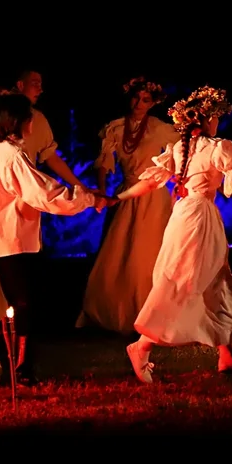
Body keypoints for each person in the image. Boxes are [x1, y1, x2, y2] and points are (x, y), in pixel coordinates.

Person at [117, 86, 232, 383]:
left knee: (213, 281)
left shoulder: (180, 149)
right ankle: (142, 345)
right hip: (198, 219)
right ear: (207, 119)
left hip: (185, 216)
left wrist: (119, 197)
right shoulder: (217, 148)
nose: (218, 122)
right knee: (188, 283)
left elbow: (150, 183)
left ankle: (226, 358)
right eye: (216, 116)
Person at [0, 94, 106, 384]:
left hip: (15, 237)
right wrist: (87, 198)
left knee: (26, 305)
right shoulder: (9, 155)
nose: (33, 123)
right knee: (23, 305)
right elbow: (42, 192)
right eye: (30, 119)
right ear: (20, 122)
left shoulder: (2, 152)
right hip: (14, 239)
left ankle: (17, 368)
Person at [77, 77, 178, 333]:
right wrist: (101, 191)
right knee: (121, 253)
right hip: (126, 193)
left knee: (149, 251)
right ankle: (117, 310)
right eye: (136, 97)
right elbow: (104, 162)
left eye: (145, 99)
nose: (139, 103)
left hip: (154, 196)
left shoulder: (161, 129)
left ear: (153, 102)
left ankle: (153, 312)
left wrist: (179, 184)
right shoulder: (115, 128)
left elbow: (178, 158)